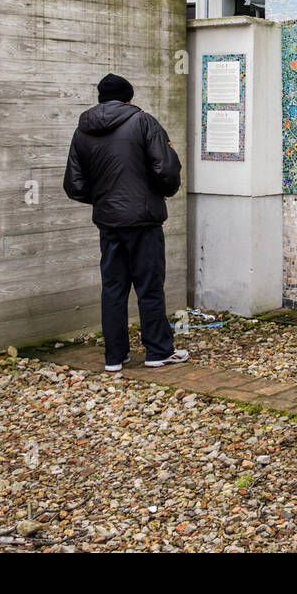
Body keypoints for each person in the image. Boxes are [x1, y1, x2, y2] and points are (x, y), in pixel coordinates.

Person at [63, 73, 188, 371]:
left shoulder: (82, 131)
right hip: (143, 220)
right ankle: (158, 351)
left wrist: (105, 200)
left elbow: (74, 184)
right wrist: (159, 194)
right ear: (129, 97)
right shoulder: (143, 122)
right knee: (149, 287)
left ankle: (114, 357)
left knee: (113, 288)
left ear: (100, 99)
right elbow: (167, 169)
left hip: (109, 223)